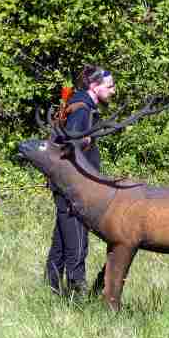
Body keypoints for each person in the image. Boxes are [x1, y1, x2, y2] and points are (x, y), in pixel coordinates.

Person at [45, 65, 116, 296]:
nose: (114, 90)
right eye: (110, 86)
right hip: (74, 188)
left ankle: (52, 289)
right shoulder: (82, 110)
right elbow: (69, 145)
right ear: (94, 87)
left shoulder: (77, 103)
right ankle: (77, 293)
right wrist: (84, 141)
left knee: (61, 240)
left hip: (66, 186)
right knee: (76, 241)